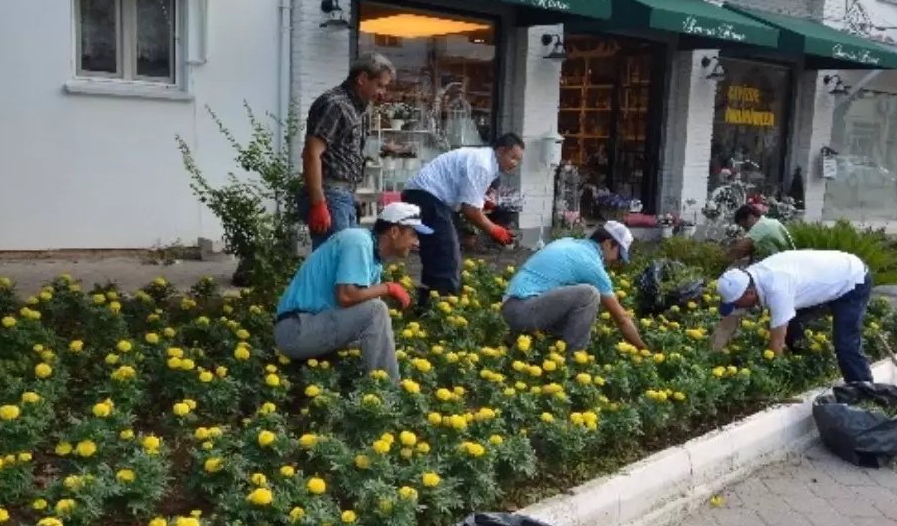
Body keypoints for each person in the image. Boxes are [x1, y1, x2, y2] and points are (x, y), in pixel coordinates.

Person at [273, 202, 430, 380]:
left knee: (380, 339)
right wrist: (389, 288)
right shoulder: (358, 242)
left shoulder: (373, 257)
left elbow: (359, 312)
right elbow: (346, 296)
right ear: (394, 232)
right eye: (413, 234)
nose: (416, 242)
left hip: (313, 325)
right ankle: (389, 394)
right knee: (376, 311)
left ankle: (375, 389)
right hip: (296, 329)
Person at [713, 250, 874, 384]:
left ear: (749, 293)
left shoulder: (777, 288)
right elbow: (727, 325)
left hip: (852, 280)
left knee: (845, 342)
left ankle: (864, 390)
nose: (736, 308)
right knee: (793, 328)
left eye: (737, 303)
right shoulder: (746, 281)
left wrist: (770, 380)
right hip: (823, 279)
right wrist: (711, 356)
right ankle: (805, 365)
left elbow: (777, 344)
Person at [402, 134, 524, 305]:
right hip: (427, 196)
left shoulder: (485, 161)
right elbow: (470, 211)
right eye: (513, 158)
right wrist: (495, 230)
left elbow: (470, 202)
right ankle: (442, 309)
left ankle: (426, 306)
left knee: (438, 253)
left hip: (427, 196)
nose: (515, 164)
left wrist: (483, 205)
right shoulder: (483, 164)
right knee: (446, 256)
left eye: (518, 161)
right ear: (501, 151)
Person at [502, 222, 648, 353]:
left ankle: (522, 343)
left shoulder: (570, 243)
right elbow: (621, 318)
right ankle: (573, 362)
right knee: (589, 295)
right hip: (523, 311)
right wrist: (643, 350)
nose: (617, 262)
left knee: (577, 304)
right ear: (608, 244)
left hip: (512, 305)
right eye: (619, 256)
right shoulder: (591, 264)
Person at [300, 53, 394, 249]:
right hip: (331, 195)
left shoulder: (355, 107)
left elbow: (343, 154)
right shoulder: (336, 104)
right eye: (380, 85)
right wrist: (319, 204)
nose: (382, 92)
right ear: (362, 79)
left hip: (342, 195)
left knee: (345, 260)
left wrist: (352, 194)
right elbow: (311, 153)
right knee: (336, 262)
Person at [727, 199, 793, 264]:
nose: (746, 230)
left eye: (744, 226)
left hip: (778, 266)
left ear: (750, 217)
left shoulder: (761, 226)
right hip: (785, 262)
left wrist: (720, 262)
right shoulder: (771, 222)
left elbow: (736, 251)